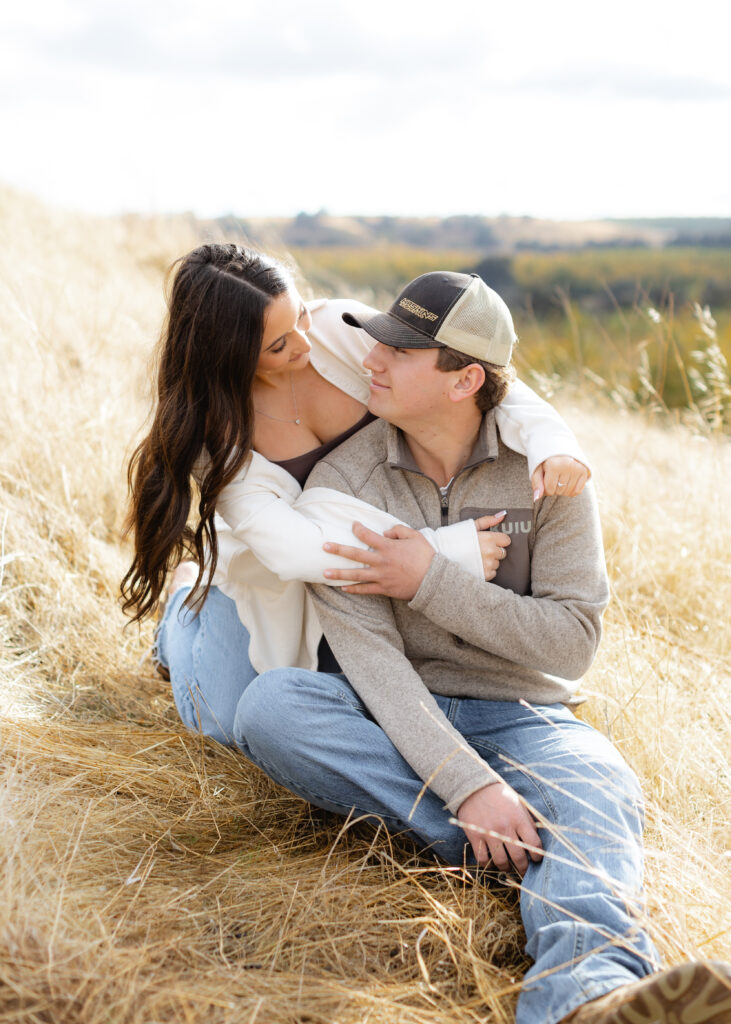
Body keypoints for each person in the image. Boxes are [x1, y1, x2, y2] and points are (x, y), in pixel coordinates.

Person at [227, 273, 731, 1024]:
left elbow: (571, 644)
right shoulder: (344, 481)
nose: (372, 357)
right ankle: (519, 846)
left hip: (526, 712)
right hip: (390, 713)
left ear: (464, 379)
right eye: (378, 338)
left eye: (401, 350)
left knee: (602, 782)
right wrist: (466, 784)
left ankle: (586, 999)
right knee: (272, 708)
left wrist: (429, 578)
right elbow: (371, 661)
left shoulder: (549, 479)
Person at [123, 244, 591, 744]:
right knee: (221, 725)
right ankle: (180, 611)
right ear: (230, 357)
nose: (305, 344)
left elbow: (476, 374)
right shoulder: (215, 435)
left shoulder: (337, 329)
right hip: (275, 573)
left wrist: (553, 444)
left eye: (300, 315)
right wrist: (436, 551)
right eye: (279, 346)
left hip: (363, 575)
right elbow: (293, 551)